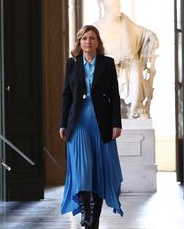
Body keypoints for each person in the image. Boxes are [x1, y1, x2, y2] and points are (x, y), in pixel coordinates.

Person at [59, 25, 123, 229]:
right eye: (85, 38)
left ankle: (94, 218)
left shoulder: (107, 63)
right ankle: (85, 213)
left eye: (92, 38)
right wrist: (62, 123)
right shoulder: (72, 64)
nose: (88, 41)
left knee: (99, 170)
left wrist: (116, 123)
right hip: (77, 121)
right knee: (82, 168)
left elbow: (114, 94)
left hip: (101, 121)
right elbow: (66, 95)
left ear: (98, 42)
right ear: (79, 42)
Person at [93, 0, 158, 119]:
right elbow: (92, 54)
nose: (119, 8)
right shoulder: (97, 27)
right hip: (108, 66)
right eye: (117, 5)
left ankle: (135, 108)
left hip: (128, 64)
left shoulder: (125, 21)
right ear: (109, 8)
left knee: (135, 65)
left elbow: (141, 32)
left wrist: (150, 36)